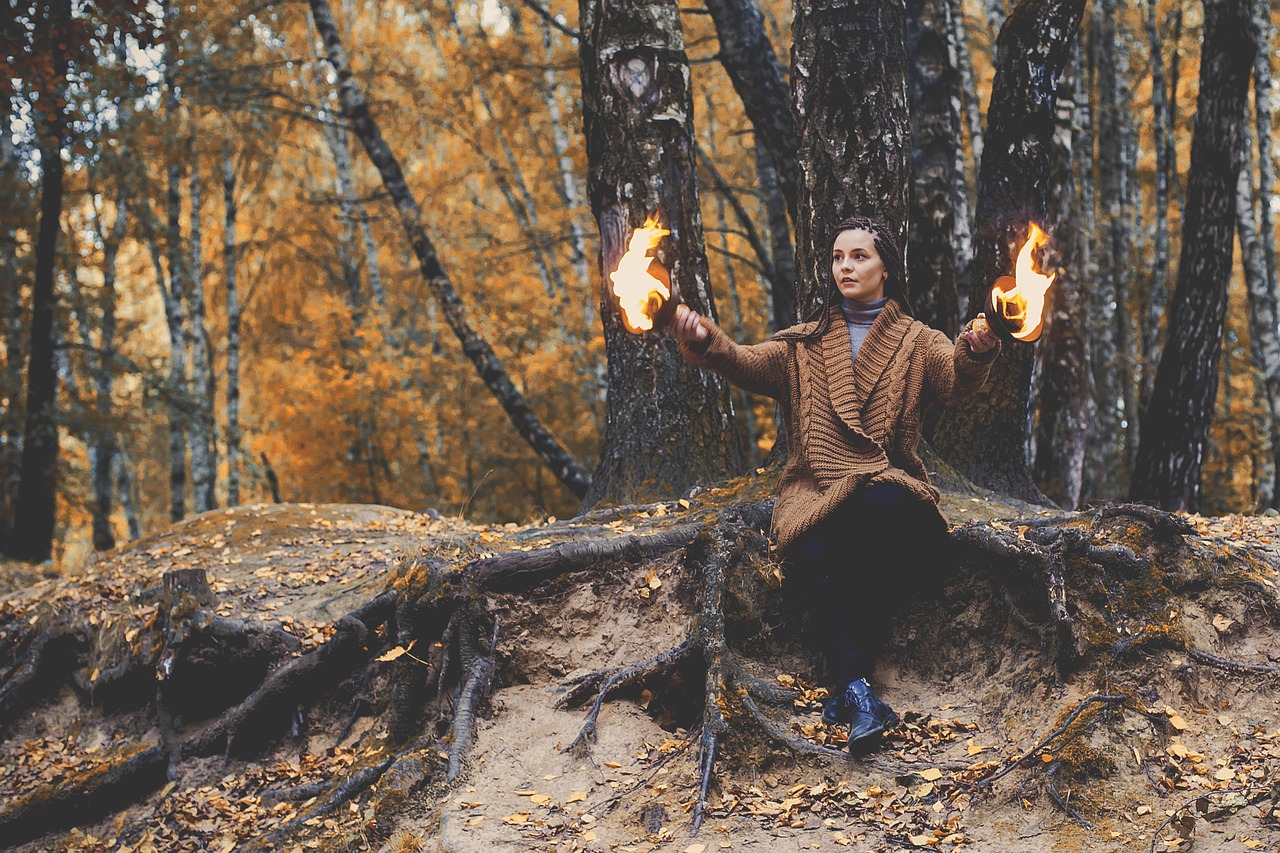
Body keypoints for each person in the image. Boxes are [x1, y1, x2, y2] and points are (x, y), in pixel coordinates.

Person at [670, 216, 1000, 755]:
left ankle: (850, 688)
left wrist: (978, 348)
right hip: (815, 489)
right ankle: (857, 689)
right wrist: (706, 340)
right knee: (820, 541)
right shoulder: (804, 344)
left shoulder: (918, 342)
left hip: (888, 490)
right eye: (838, 257)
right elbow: (748, 363)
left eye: (859, 256)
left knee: (875, 507)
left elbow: (956, 377)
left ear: (886, 268)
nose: (845, 266)